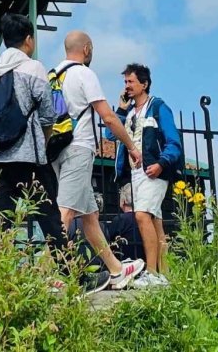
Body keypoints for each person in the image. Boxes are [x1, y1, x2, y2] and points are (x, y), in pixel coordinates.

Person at [49, 31, 146, 290]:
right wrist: (131, 147)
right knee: (66, 210)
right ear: (87, 49)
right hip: (79, 148)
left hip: (58, 148)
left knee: (89, 216)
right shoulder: (84, 74)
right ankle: (49, 273)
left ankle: (116, 270)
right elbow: (109, 117)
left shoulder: (54, 74)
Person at [0, 13, 62, 246]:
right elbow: (48, 114)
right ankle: (75, 274)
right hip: (28, 157)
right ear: (28, 39)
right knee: (49, 216)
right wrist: (44, 142)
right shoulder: (33, 68)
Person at [121, 62, 182, 282]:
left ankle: (153, 272)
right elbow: (112, 137)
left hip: (153, 171)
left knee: (142, 215)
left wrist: (162, 163)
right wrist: (120, 109)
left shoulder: (158, 107)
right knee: (155, 220)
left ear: (144, 84)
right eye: (125, 82)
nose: (127, 86)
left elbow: (174, 140)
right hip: (136, 173)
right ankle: (164, 274)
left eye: (131, 81)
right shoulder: (128, 113)